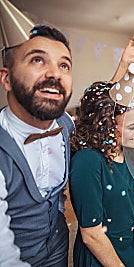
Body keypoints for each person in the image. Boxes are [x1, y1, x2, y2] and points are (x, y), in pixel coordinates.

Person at [0, 24, 73, 266]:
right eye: (37, 60)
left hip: (59, 244)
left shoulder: (66, 124)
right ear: (6, 78)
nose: (55, 74)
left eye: (64, 65)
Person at [69, 81, 134, 266]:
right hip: (107, 258)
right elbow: (91, 234)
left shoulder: (133, 153)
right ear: (107, 125)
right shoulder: (88, 161)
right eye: (132, 127)